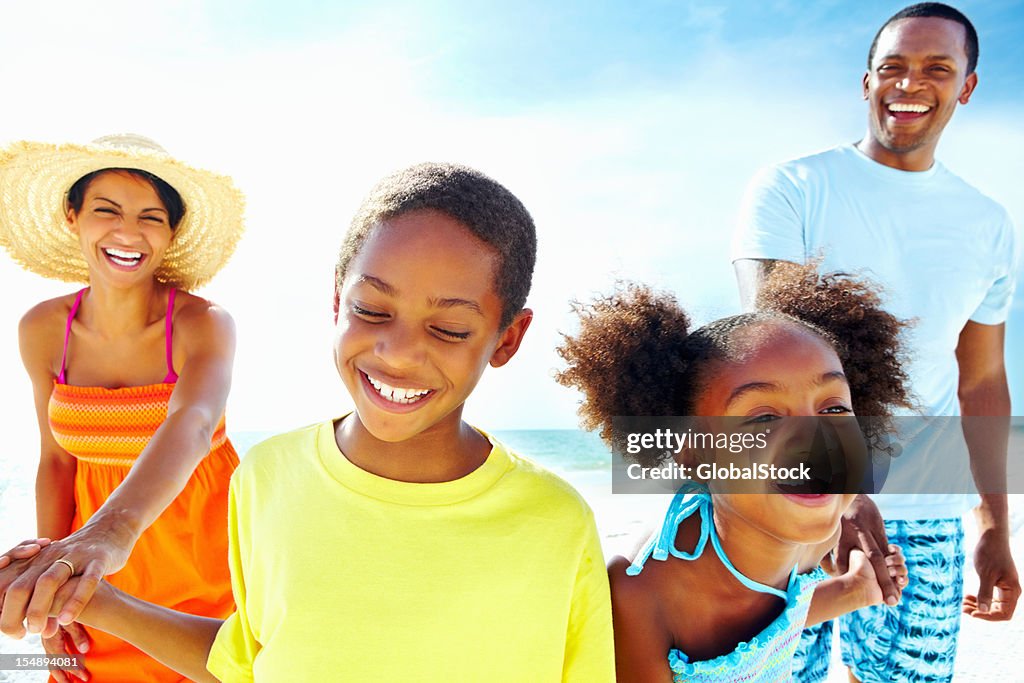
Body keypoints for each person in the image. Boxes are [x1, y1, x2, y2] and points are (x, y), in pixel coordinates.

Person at [8, 162, 615, 682]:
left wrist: (109, 532)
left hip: (171, 549)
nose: (399, 352)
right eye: (372, 309)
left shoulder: (557, 522)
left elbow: (192, 424)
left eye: (449, 329)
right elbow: (250, 661)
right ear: (335, 300)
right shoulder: (267, 478)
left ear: (508, 338)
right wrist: (74, 591)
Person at [732, 3, 1020, 682]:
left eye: (936, 68)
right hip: (784, 503)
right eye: (892, 67)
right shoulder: (792, 188)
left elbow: (980, 381)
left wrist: (993, 523)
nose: (909, 84)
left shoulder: (987, 224)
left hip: (925, 513)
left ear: (967, 86)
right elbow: (772, 346)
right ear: (866, 82)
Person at [556, 262, 911, 682]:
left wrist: (855, 589)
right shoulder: (642, 596)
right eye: (763, 419)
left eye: (833, 409)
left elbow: (777, 617)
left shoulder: (815, 533)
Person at [0, 134, 245, 682]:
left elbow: (195, 422)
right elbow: (57, 462)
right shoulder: (42, 329)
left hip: (204, 559)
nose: (128, 233)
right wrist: (50, 580)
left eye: (151, 217)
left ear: (170, 232)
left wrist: (114, 532)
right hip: (93, 568)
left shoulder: (202, 323)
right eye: (106, 210)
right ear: (73, 216)